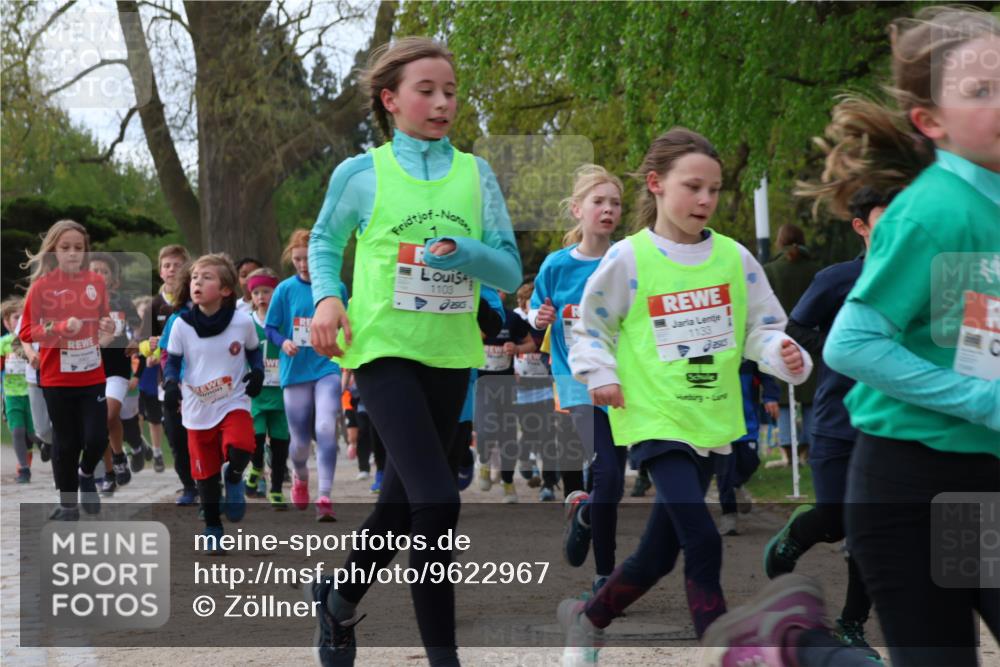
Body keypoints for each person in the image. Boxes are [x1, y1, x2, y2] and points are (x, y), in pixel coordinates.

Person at [306, 36, 521, 667]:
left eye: (450, 91)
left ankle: (339, 603)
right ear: (390, 100)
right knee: (439, 500)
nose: (441, 102)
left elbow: (508, 271)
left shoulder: (475, 174)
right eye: (425, 90)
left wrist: (466, 252)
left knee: (398, 508)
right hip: (383, 353)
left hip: (452, 358)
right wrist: (327, 300)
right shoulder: (361, 173)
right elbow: (324, 242)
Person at [559, 128, 812, 663]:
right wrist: (598, 373)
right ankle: (726, 650)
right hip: (652, 418)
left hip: (710, 420)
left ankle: (589, 619)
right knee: (703, 539)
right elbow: (590, 326)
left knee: (655, 556)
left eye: (714, 190)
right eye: (693, 186)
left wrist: (782, 353)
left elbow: (761, 328)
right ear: (655, 184)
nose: (705, 199)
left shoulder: (734, 259)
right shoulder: (628, 259)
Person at [815, 8, 999, 666]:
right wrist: (984, 400)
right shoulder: (933, 211)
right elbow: (850, 345)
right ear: (932, 123)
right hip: (908, 488)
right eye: (980, 91)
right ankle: (804, 648)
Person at [762, 186, 897, 657]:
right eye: (886, 215)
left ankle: (850, 624)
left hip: (890, 428)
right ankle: (800, 531)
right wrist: (840, 355)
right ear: (861, 227)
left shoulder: (919, 278)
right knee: (838, 518)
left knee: (867, 527)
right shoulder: (836, 279)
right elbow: (796, 327)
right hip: (837, 419)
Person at [529, 164, 627, 594]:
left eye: (615, 203)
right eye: (599, 202)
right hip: (574, 382)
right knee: (607, 473)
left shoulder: (627, 260)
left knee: (611, 479)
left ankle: (585, 513)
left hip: (622, 382)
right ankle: (605, 573)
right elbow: (535, 312)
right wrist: (541, 316)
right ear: (577, 210)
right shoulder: (556, 265)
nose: (608, 210)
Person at [164, 254, 264, 549]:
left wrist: (256, 372)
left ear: (225, 291)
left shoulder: (241, 322)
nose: (198, 281)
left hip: (233, 400)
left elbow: (254, 352)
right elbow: (173, 360)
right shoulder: (181, 324)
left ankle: (233, 476)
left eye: (207, 277)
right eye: (195, 277)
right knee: (205, 475)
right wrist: (170, 383)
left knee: (242, 447)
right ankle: (212, 529)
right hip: (197, 407)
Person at [19, 220, 114, 521]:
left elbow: (103, 324)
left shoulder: (95, 283)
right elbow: (27, 331)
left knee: (98, 437)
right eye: (65, 248)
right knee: (67, 441)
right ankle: (68, 504)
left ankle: (87, 474)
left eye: (78, 248)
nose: (73, 253)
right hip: (56, 377)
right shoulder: (42, 287)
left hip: (91, 374)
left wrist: (108, 329)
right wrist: (60, 327)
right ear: (53, 251)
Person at [265, 229, 347, 521]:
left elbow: (345, 323)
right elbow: (271, 327)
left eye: (308, 259)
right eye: (297, 259)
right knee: (299, 441)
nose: (303, 265)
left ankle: (325, 496)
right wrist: (282, 342)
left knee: (326, 428)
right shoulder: (285, 290)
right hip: (295, 370)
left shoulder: (336, 288)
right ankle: (300, 476)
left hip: (327, 367)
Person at [141, 244, 198, 504]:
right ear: (160, 271)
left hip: (199, 380)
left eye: (177, 264)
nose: (172, 269)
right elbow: (143, 343)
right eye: (167, 265)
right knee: (175, 436)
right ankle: (188, 486)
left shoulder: (195, 299)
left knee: (200, 434)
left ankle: (208, 479)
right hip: (169, 382)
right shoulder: (155, 304)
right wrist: (150, 349)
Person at [764, 223, 820, 466]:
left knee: (784, 399)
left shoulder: (769, 271)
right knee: (809, 398)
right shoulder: (815, 271)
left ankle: (788, 453)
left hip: (780, 340)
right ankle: (810, 451)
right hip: (810, 340)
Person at [88, 252, 140, 495]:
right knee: (98, 423)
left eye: (104, 272)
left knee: (109, 416)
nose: (99, 275)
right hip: (88, 368)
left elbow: (139, 326)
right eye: (94, 271)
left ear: (113, 279)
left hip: (117, 367)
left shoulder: (121, 301)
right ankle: (109, 471)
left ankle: (118, 454)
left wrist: (137, 341)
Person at [246, 267, 292, 509]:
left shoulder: (283, 322)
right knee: (256, 435)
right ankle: (255, 466)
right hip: (257, 390)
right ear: (251, 297)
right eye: (256, 292)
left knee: (280, 440)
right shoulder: (246, 323)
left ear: (276, 293)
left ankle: (276, 489)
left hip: (281, 389)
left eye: (267, 291)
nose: (261, 297)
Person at [1, 297, 35, 483]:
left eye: (23, 316)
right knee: (17, 431)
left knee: (32, 433)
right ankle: (23, 469)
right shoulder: (4, 343)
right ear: (6, 322)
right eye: (16, 317)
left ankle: (44, 448)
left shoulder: (31, 340)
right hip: (12, 395)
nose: (20, 320)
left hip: (31, 392)